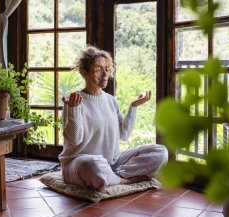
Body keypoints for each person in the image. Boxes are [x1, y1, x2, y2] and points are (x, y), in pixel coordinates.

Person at [58, 46, 168, 189]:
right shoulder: (73, 101)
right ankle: (125, 180)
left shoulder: (111, 100)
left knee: (161, 152)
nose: (105, 75)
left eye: (107, 69)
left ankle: (113, 176)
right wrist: (73, 110)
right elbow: (74, 139)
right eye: (99, 69)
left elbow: (124, 135)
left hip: (112, 162)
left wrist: (133, 107)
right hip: (79, 163)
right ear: (84, 72)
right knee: (93, 165)